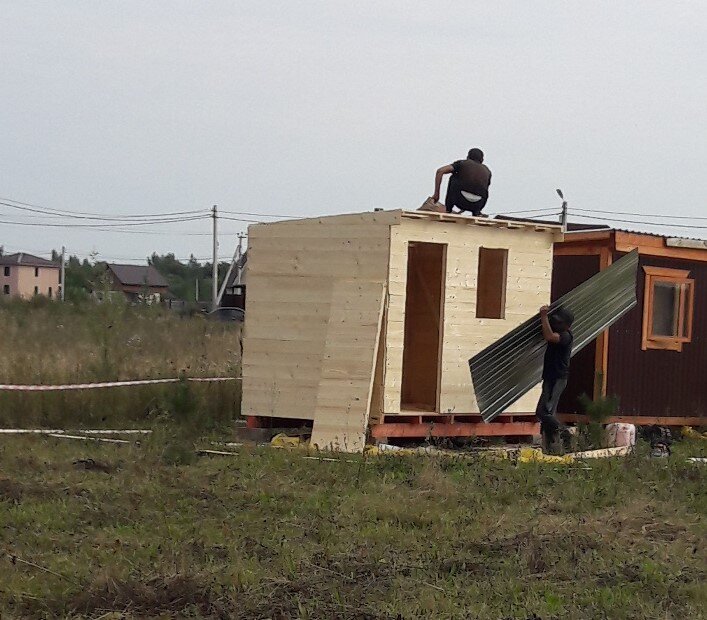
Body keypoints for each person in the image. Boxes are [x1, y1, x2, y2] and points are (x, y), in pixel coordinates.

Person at [536, 304, 574, 452]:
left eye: (559, 322)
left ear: (566, 325)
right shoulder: (562, 332)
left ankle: (565, 432)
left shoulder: (566, 336)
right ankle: (550, 447)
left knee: (543, 412)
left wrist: (543, 316)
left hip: (557, 378)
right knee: (547, 413)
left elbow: (549, 336)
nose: (555, 324)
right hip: (551, 377)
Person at [432, 148, 492, 215]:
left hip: (459, 200)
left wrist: (436, 194)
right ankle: (476, 213)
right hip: (478, 204)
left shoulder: (462, 163)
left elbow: (440, 171)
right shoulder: (487, 171)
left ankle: (448, 209)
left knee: (453, 177)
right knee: (481, 187)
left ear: (467, 157)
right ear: (482, 160)